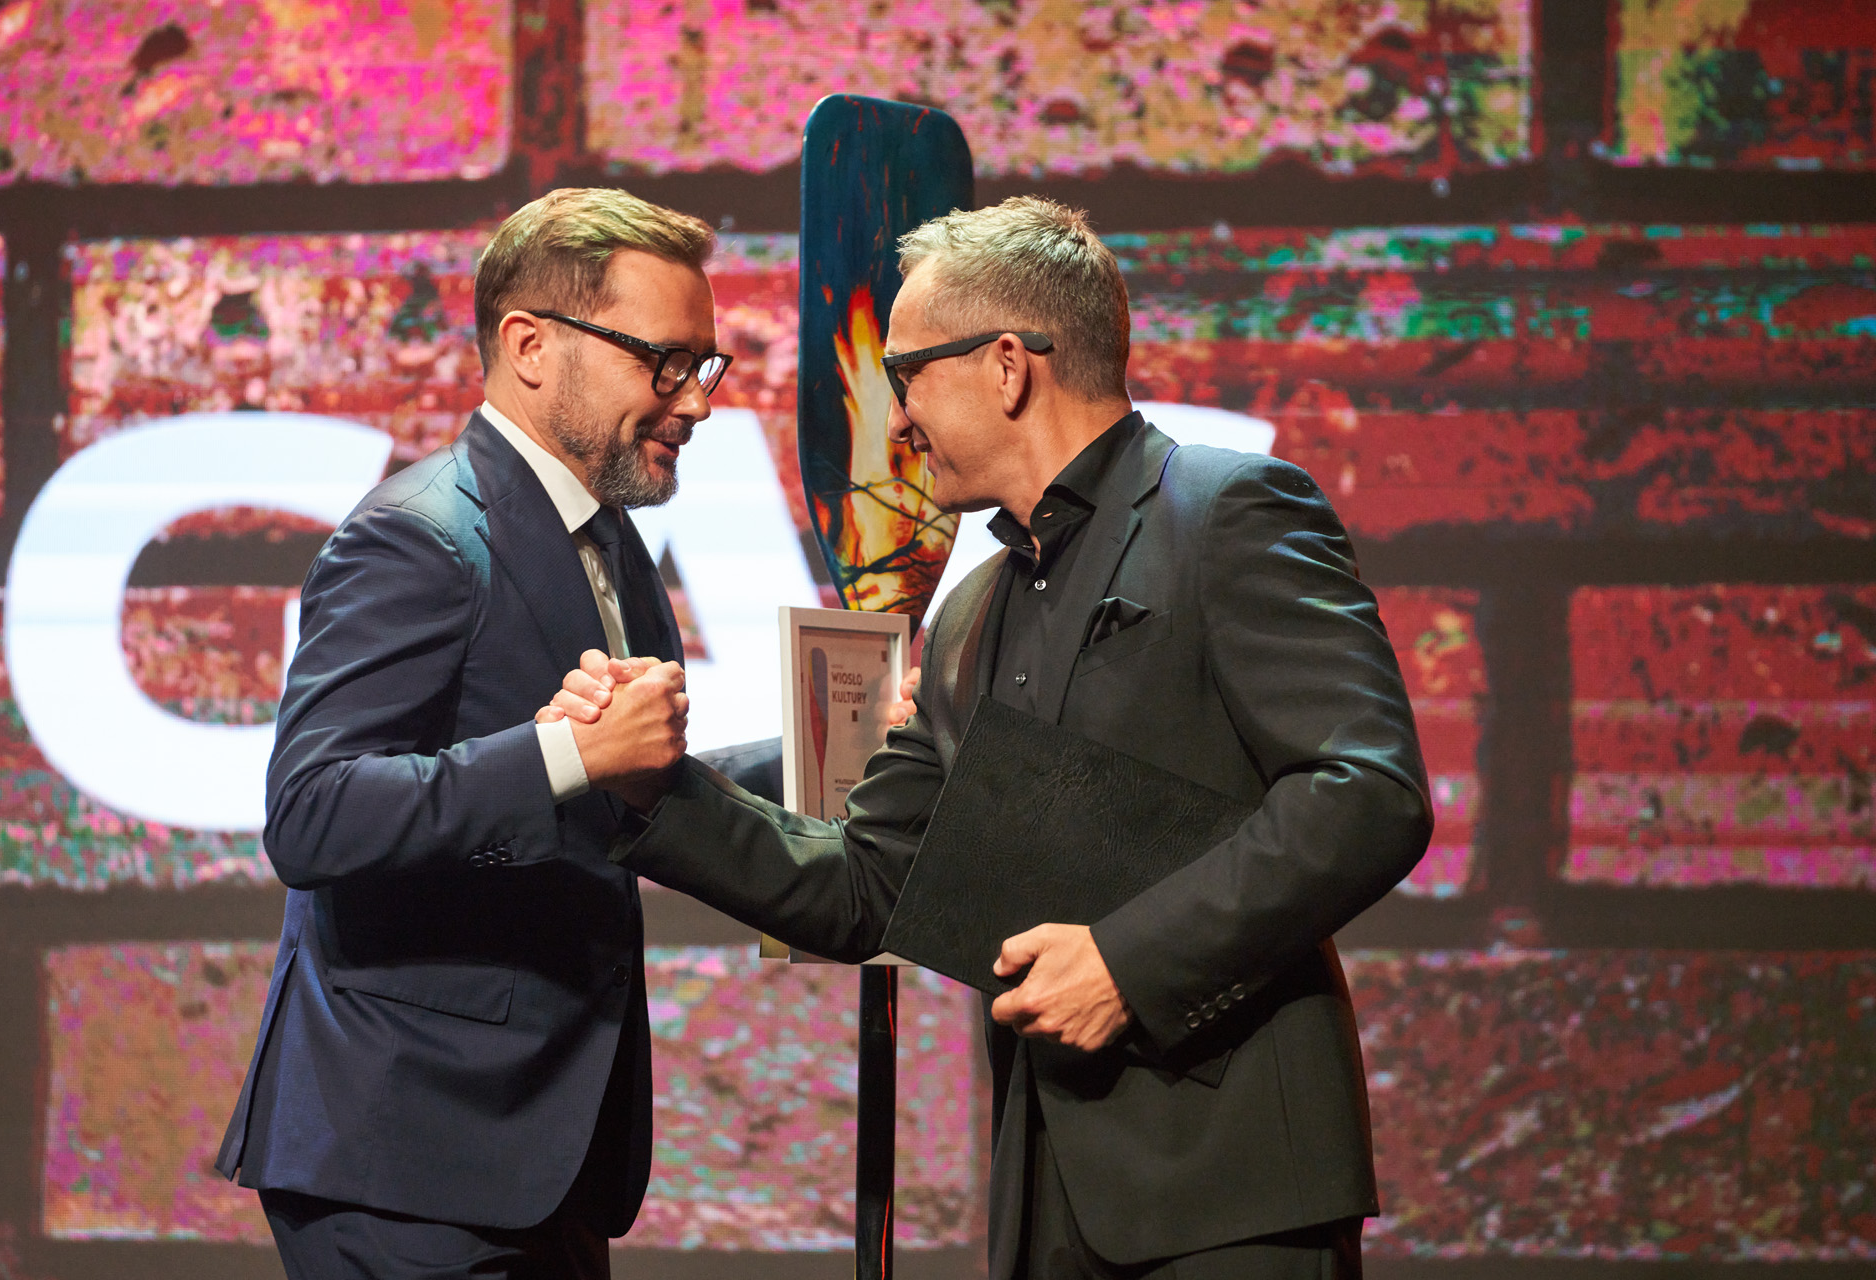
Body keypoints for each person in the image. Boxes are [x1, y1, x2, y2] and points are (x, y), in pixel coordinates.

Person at [547, 197, 1434, 1279]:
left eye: (907, 376)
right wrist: (655, 788)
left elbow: (1366, 791)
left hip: (1232, 1186)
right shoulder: (971, 614)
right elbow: (868, 883)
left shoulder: (1228, 510)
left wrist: (1128, 963)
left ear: (1007, 365)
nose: (897, 423)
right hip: (1046, 1195)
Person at [215, 187, 720, 1279]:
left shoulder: (611, 542)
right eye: (665, 362)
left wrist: (838, 757)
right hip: (406, 1163)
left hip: (537, 1155)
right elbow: (312, 813)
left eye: (704, 366)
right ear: (530, 346)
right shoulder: (417, 536)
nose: (696, 401)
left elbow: (634, 777)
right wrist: (566, 753)